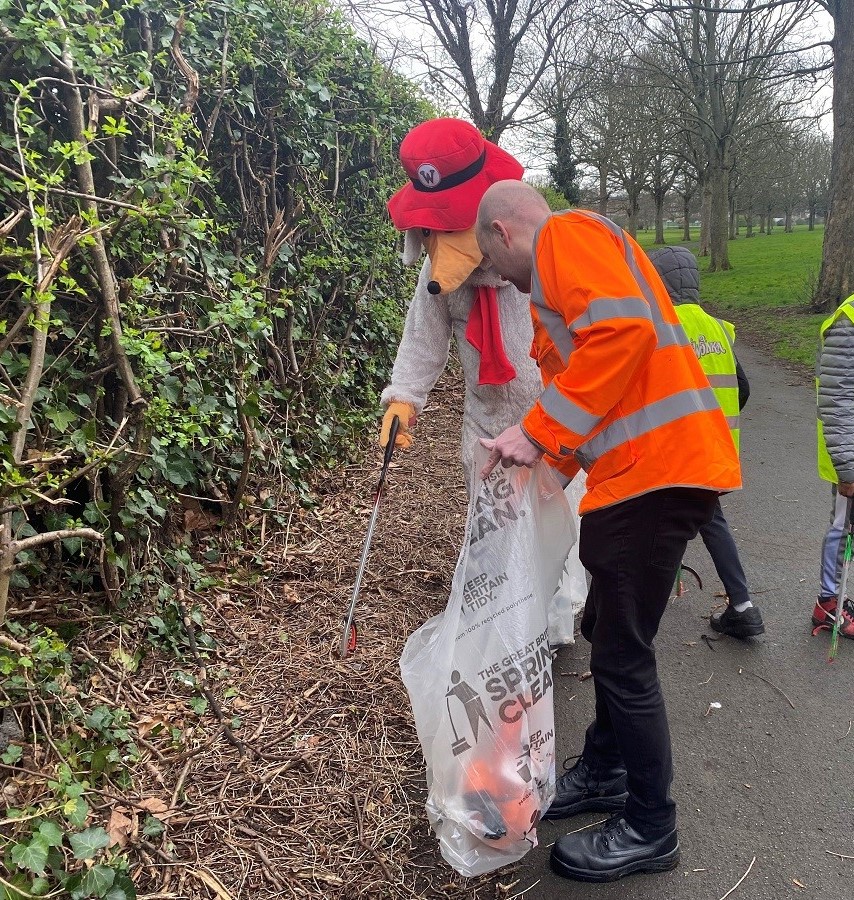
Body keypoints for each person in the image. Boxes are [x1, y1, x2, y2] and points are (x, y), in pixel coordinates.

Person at [474, 182, 741, 883]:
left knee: (623, 653)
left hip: (655, 474)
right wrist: (547, 466)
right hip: (648, 473)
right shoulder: (559, 287)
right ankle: (608, 765)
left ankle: (652, 826)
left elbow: (624, 335)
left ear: (504, 231)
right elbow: (597, 382)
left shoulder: (564, 237)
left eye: (490, 260)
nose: (495, 277)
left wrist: (537, 431)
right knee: (605, 624)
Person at [380, 118, 586, 639]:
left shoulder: (534, 257)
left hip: (553, 416)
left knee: (556, 522)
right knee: (492, 525)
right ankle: (501, 620)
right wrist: (404, 398)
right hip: (487, 422)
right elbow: (422, 341)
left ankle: (554, 621)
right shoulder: (442, 282)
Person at [647, 245, 765, 639]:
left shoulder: (660, 327)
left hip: (676, 452)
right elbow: (742, 388)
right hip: (717, 451)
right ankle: (742, 605)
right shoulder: (718, 328)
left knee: (662, 523)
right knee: (709, 521)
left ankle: (647, 607)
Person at [811, 292, 854, 638]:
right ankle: (828, 604)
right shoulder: (848, 321)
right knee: (844, 527)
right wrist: (847, 467)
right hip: (851, 453)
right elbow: (836, 398)